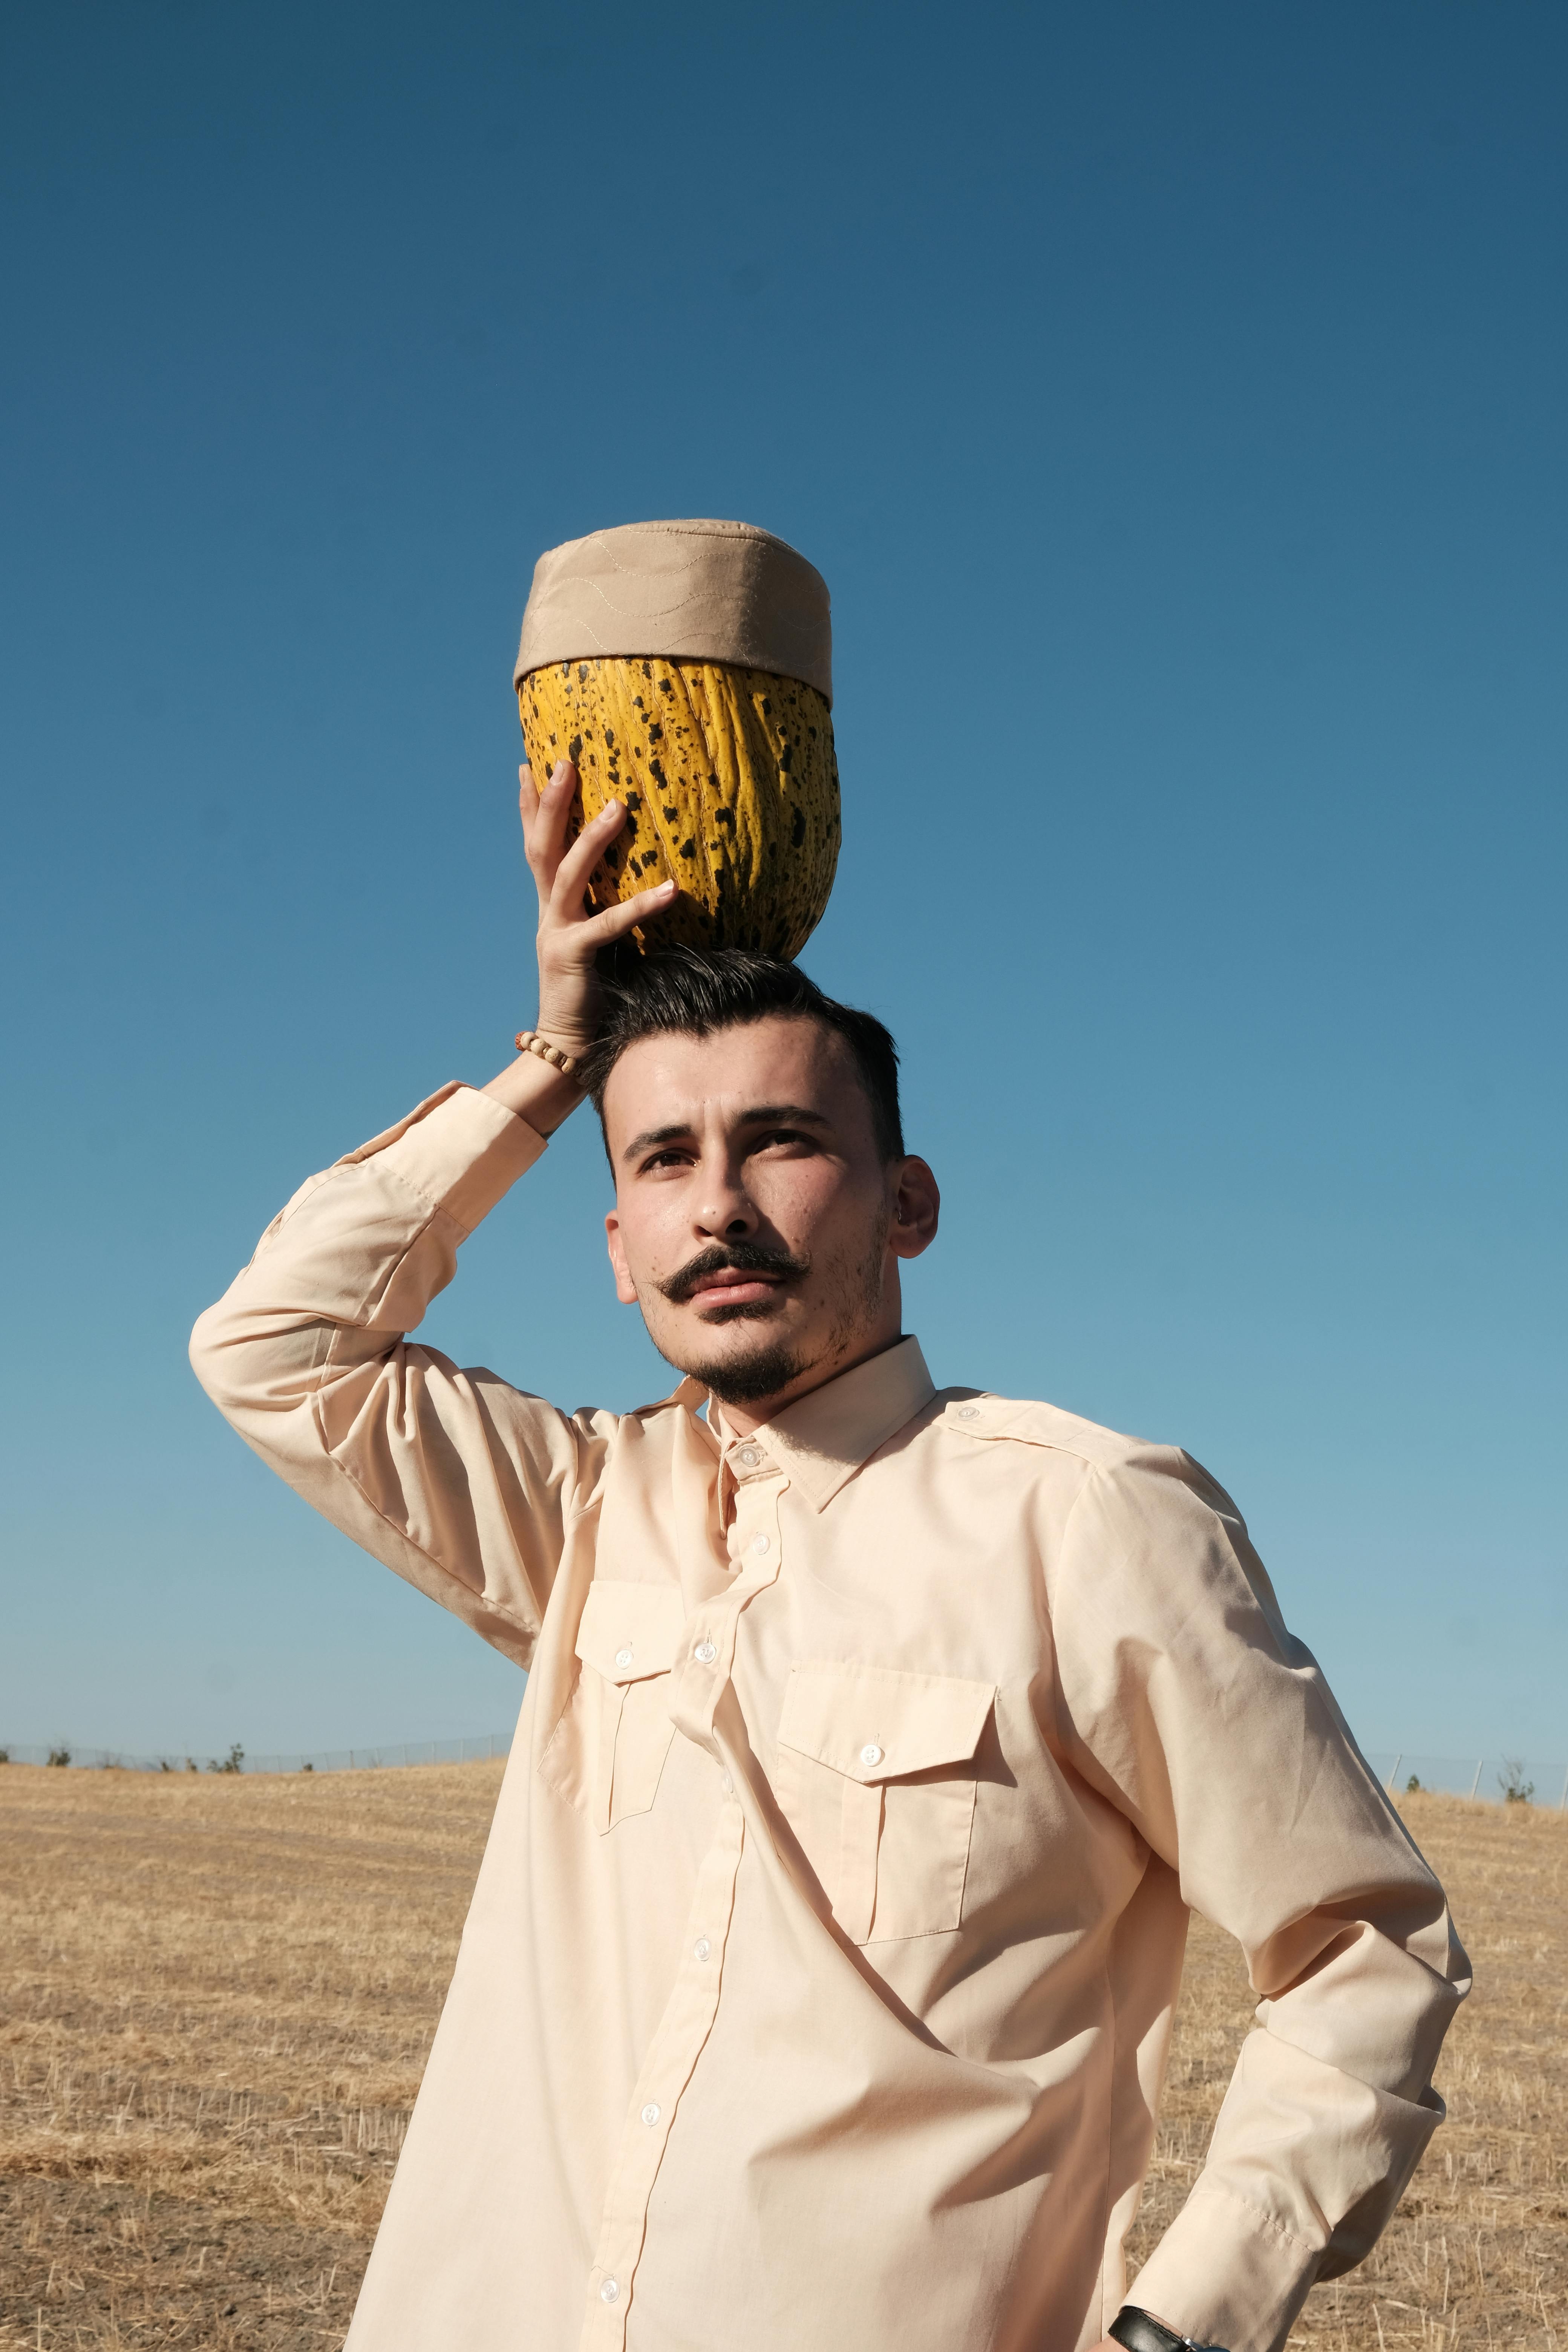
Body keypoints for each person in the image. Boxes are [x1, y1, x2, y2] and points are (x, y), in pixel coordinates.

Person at [191, 531, 1467, 2352]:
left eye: (780, 1142)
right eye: (660, 1159)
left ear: (908, 1199)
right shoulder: (581, 1518)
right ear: (613, 1241)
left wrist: (1186, 2320)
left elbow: (1364, 1951)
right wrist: (556, 1058)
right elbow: (270, 1347)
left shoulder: (1086, 1519)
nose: (718, 1204)